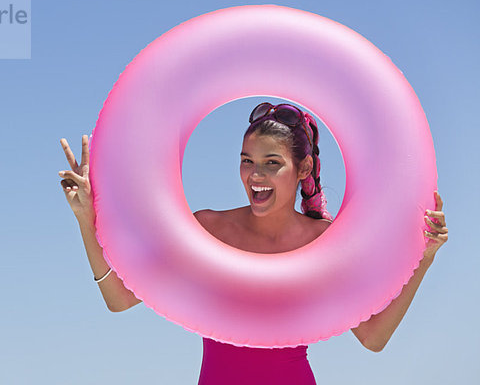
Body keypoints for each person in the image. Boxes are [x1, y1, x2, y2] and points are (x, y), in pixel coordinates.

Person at [58, 102, 449, 384]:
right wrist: (85, 220)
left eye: (271, 162)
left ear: (304, 168)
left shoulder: (326, 241)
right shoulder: (208, 230)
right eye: (247, 160)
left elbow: (372, 337)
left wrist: (424, 258)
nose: (255, 175)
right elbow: (120, 299)